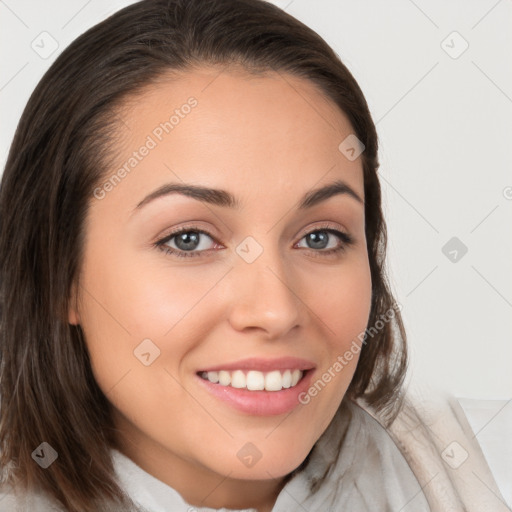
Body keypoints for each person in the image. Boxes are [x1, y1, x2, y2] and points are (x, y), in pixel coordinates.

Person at [0, 1, 507, 511]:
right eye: (189, 239)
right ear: (58, 273)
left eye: (320, 237)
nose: (275, 311)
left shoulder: (484, 470)